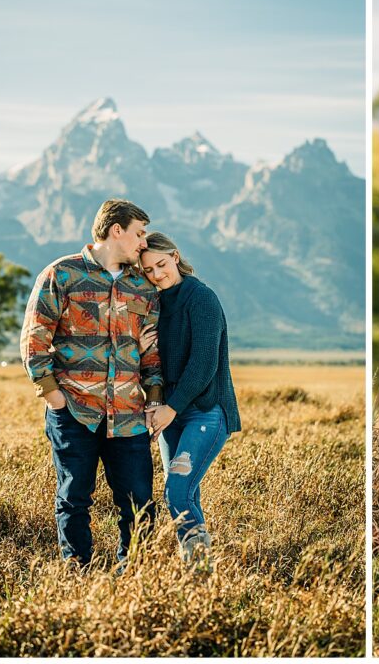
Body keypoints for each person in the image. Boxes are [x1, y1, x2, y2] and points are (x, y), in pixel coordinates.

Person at [20, 198, 166, 568]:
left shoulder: (142, 288)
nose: (143, 244)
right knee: (74, 499)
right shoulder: (61, 274)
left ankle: (131, 577)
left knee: (139, 502)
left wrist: (153, 399)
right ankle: (78, 573)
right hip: (75, 412)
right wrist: (52, 395)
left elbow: (151, 353)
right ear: (116, 231)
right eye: (139, 234)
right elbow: (34, 338)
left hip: (130, 416)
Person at [138, 232, 241, 563]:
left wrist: (171, 408)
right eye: (148, 270)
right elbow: (155, 362)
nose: (156, 274)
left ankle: (199, 567)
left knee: (176, 491)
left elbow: (204, 364)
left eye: (161, 264)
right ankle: (199, 570)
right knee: (187, 493)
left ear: (176, 256)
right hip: (171, 414)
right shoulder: (154, 305)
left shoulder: (202, 299)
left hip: (206, 412)